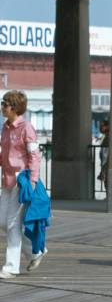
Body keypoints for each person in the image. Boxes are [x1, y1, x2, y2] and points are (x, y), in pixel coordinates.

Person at [0, 90, 47, 278]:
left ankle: (11, 267)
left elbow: (34, 156)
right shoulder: (5, 127)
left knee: (12, 224)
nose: (2, 107)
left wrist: (33, 181)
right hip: (7, 181)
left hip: (22, 181)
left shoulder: (26, 127)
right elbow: (5, 154)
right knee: (3, 222)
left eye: (5, 104)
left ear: (14, 107)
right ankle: (36, 251)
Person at [97, 119, 110, 190]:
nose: (102, 127)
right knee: (106, 178)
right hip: (104, 159)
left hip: (106, 160)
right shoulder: (105, 135)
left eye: (103, 126)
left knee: (106, 178)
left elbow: (104, 145)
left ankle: (108, 194)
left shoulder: (108, 135)